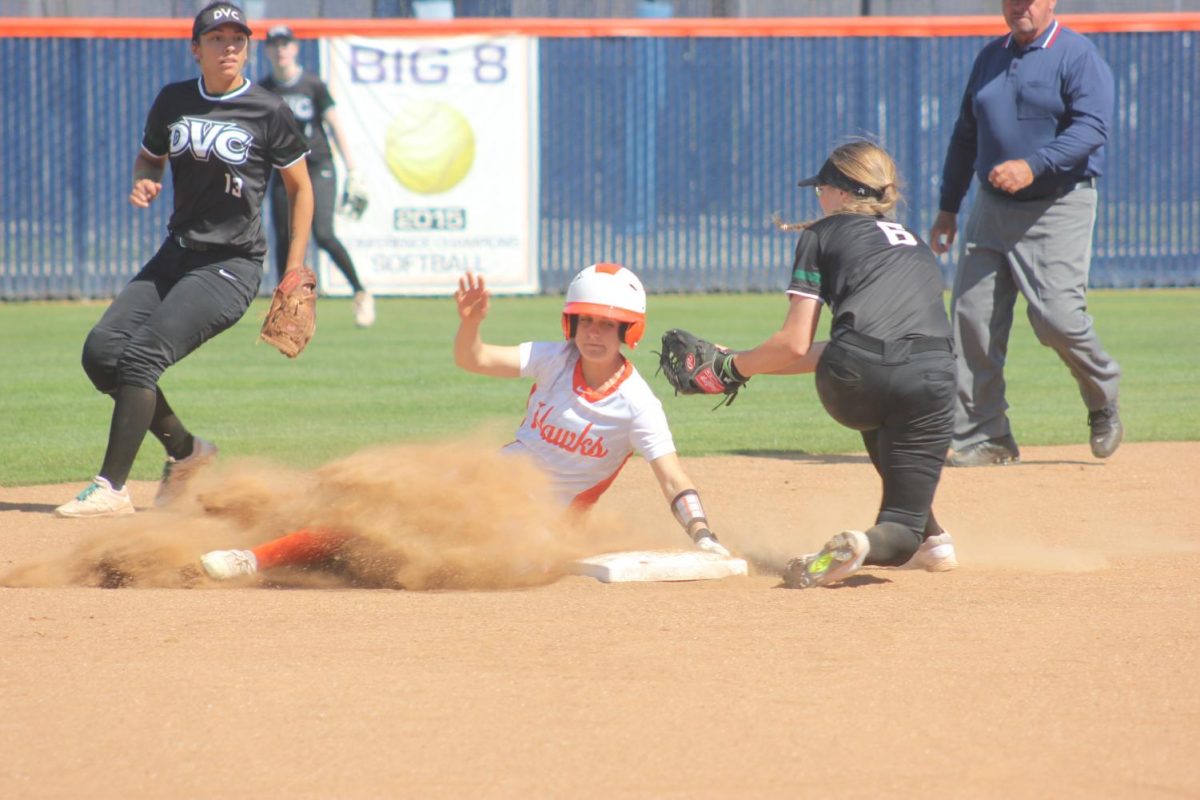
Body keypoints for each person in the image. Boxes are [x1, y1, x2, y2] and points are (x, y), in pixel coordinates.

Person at [197, 263, 730, 580]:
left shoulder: (638, 404)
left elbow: (673, 477)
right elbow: (472, 359)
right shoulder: (553, 358)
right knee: (376, 507)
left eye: (608, 325)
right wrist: (470, 325)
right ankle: (261, 545)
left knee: (414, 550)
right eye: (585, 320)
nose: (594, 332)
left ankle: (283, 559)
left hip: (533, 527)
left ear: (628, 332)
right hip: (484, 484)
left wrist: (702, 535)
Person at [54, 2, 313, 518]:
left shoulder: (268, 109)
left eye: (238, 38)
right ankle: (187, 452)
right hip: (176, 253)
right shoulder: (173, 100)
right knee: (102, 352)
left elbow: (301, 188)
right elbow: (151, 155)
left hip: (231, 266)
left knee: (142, 356)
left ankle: (112, 488)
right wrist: (143, 177)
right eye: (217, 39)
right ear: (195, 49)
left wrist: (295, 270)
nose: (229, 47)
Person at [674, 140, 959, 589]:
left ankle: (922, 537)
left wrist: (732, 369)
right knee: (897, 508)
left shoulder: (822, 234)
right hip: (934, 376)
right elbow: (876, 344)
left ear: (844, 193)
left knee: (876, 395)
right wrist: (738, 361)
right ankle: (902, 534)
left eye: (822, 189)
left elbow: (795, 344)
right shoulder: (916, 245)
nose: (820, 199)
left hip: (854, 383)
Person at [929, 0, 1122, 467]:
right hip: (992, 206)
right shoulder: (990, 57)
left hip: (1058, 203)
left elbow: (1093, 128)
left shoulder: (1076, 54)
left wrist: (1032, 165)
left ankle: (1103, 398)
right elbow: (965, 135)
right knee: (971, 320)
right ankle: (986, 435)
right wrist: (948, 208)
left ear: (1050, 1)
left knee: (1057, 318)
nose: (1020, 6)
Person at [261, 25, 375, 328]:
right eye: (274, 44)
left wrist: (352, 168)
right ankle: (286, 308)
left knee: (323, 233)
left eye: (285, 44)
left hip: (317, 166)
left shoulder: (312, 84)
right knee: (285, 240)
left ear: (295, 48)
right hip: (284, 172)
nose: (280, 49)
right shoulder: (264, 90)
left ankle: (361, 292)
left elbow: (334, 123)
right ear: (267, 50)